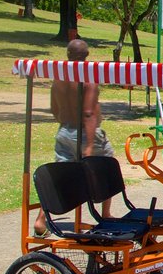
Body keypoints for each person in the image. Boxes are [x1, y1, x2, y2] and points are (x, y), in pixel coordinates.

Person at [34, 39, 115, 237]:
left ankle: (41, 220)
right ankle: (105, 213)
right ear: (86, 56)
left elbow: (54, 108)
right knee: (109, 166)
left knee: (60, 175)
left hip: (64, 130)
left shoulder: (59, 78)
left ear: (68, 54)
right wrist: (87, 145)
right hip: (87, 133)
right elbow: (88, 112)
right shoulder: (88, 79)